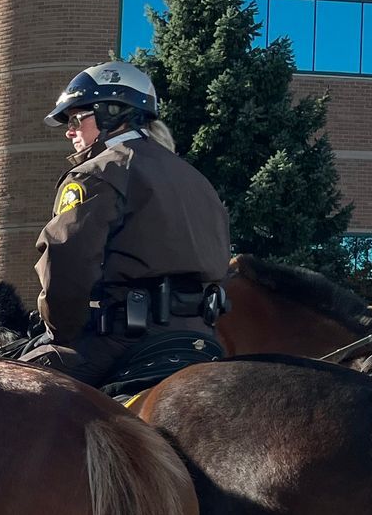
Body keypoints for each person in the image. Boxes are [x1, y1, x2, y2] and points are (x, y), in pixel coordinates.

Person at [19, 62, 231, 385]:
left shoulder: (97, 173)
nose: (69, 131)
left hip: (122, 343)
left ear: (111, 114)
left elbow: (66, 267)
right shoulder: (198, 180)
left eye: (77, 118)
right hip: (202, 342)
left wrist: (59, 331)